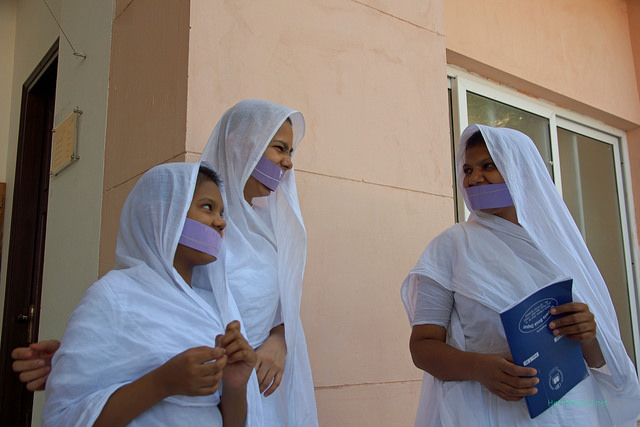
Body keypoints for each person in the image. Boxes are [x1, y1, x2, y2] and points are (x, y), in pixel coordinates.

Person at [401, 124, 640, 426]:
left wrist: (589, 334)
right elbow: (423, 346)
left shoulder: (559, 247)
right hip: (489, 413)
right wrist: (478, 367)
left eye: (488, 166)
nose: (474, 179)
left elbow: (596, 361)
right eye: (467, 169)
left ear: (519, 170)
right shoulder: (450, 247)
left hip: (572, 413)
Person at [42, 162, 260, 426]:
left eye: (222, 212)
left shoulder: (213, 307)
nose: (221, 221)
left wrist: (235, 385)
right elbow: (65, 415)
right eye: (207, 207)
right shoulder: (111, 296)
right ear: (164, 213)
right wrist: (161, 383)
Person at [200, 99, 318, 426]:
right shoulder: (198, 225)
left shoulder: (268, 227)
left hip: (266, 395)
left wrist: (280, 339)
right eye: (279, 148)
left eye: (291, 153)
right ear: (240, 146)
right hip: (208, 393)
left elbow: (282, 308)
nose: (288, 162)